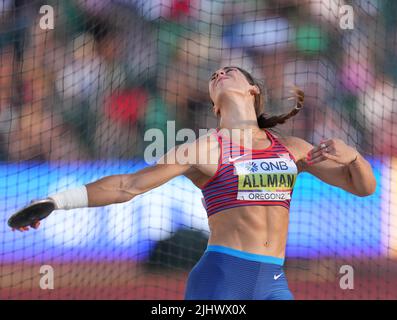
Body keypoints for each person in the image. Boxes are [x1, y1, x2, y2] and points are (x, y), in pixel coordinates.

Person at [13, 66, 377, 300]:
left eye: (229, 71)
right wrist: (58, 200)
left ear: (252, 90)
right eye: (214, 77)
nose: (220, 73)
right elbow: (129, 185)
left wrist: (354, 157)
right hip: (222, 278)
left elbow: (363, 187)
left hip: (273, 282)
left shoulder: (292, 148)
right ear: (214, 107)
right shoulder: (206, 149)